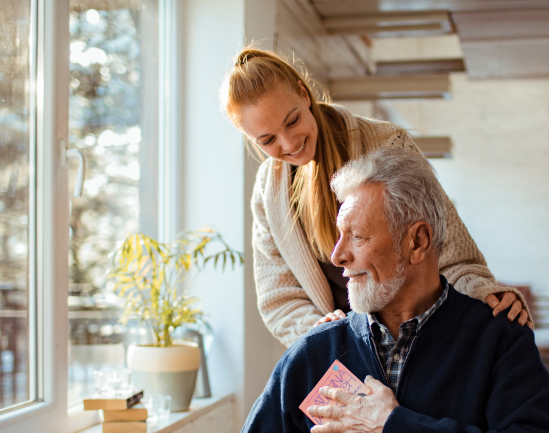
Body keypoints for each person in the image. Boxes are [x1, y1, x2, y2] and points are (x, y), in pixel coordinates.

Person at [158, 148, 549, 433]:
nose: (337, 256)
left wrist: (393, 430)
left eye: (357, 236)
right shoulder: (316, 350)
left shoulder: (498, 341)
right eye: (338, 236)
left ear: (417, 241)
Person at [223, 47, 532, 347]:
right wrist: (318, 333)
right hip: (340, 353)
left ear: (305, 94)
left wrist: (485, 293)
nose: (289, 142)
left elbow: (448, 248)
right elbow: (280, 298)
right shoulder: (268, 191)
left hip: (417, 338)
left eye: (292, 121)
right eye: (267, 140)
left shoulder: (388, 143)